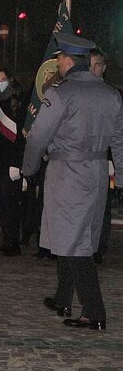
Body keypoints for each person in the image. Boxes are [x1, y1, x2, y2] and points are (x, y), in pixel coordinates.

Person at [23, 33, 122, 331]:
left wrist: (28, 168)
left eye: (59, 59)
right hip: (96, 171)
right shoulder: (111, 94)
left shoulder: (61, 93)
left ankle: (94, 311)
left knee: (74, 243)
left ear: (67, 61)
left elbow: (39, 136)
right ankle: (63, 297)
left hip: (67, 171)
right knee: (72, 236)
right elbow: (119, 141)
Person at [0, 70, 27, 257]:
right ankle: (6, 240)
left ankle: (14, 242)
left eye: (3, 79)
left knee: (11, 203)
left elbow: (20, 137)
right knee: (2, 203)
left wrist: (17, 163)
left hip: (12, 161)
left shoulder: (17, 103)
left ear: (11, 80)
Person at [89, 48, 116, 264]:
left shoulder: (112, 94)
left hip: (103, 156)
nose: (93, 69)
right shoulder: (80, 91)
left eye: (97, 65)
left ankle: (98, 248)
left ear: (104, 67)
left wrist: (113, 161)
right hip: (82, 159)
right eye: (89, 65)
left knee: (101, 206)